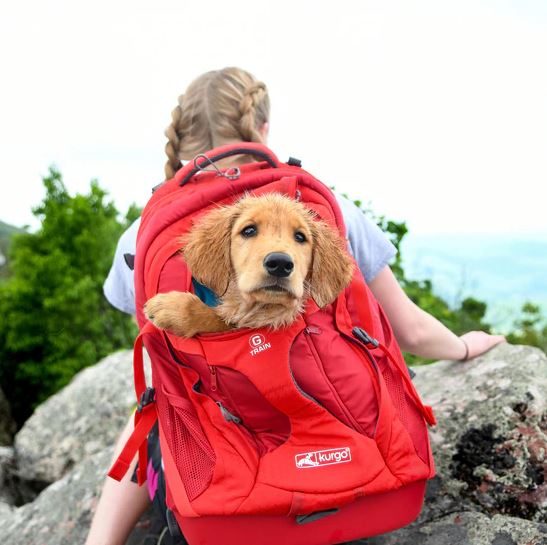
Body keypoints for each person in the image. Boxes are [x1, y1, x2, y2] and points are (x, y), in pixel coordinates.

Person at [86, 67, 506, 545]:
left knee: (156, 402)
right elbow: (409, 330)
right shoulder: (325, 208)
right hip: (352, 471)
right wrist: (465, 348)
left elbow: (160, 373)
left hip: (224, 497)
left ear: (179, 141)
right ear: (262, 129)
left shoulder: (141, 233)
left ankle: (100, 541)